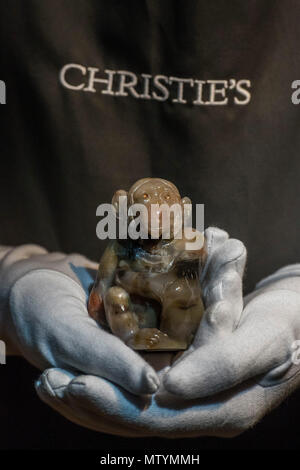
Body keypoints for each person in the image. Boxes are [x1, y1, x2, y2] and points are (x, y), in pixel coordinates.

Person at [1, 0, 300, 449]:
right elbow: (106, 276)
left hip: (278, 429)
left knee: (185, 300)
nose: (155, 216)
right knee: (121, 297)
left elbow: (196, 267)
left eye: (165, 207)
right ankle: (133, 342)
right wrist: (11, 276)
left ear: (180, 208)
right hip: (34, 415)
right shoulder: (122, 244)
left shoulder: (187, 239)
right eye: (145, 207)